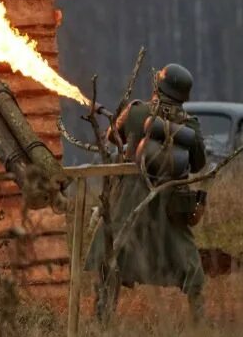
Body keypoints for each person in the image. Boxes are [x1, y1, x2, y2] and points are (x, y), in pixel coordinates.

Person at [85, 63, 209, 321]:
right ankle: (199, 319)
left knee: (113, 255)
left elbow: (112, 137)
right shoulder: (190, 125)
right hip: (170, 201)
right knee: (188, 259)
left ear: (158, 86)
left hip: (129, 198)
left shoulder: (136, 111)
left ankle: (103, 317)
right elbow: (198, 164)